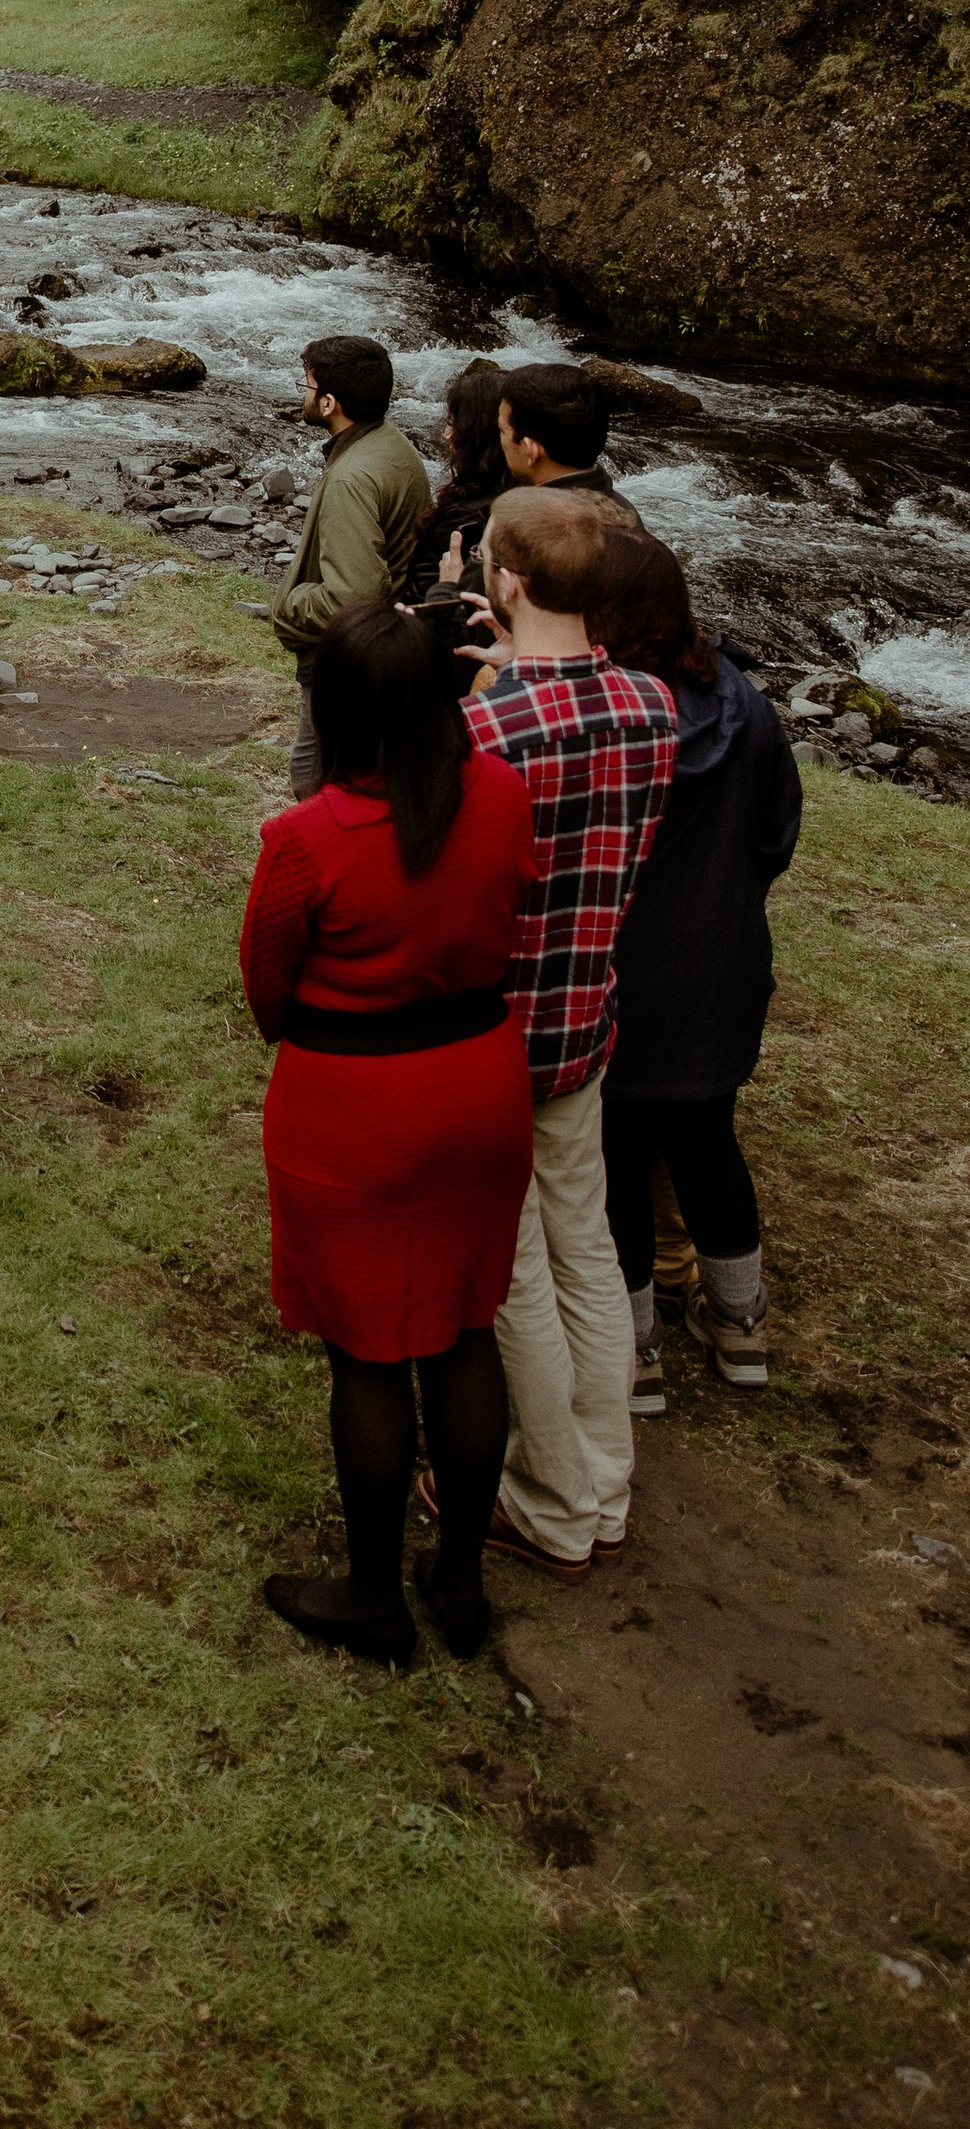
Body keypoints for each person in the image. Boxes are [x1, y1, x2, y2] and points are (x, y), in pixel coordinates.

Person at [239, 600, 541, 1666]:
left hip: (350, 1106)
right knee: (463, 1327)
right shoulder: (503, 797)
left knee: (366, 1354)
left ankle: (372, 1592)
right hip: (477, 1089)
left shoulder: (305, 837)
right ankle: (455, 1577)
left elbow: (266, 988)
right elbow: (518, 907)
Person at [457, 489, 676, 1580]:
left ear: (502, 584)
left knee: (513, 1270)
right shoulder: (652, 705)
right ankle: (607, 1479)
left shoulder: (482, 730)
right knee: (586, 1247)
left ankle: (549, 1498)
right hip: (587, 1014)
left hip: (494, 1028)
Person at [588, 529, 799, 1407]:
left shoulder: (611, 715)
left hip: (625, 966)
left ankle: (635, 1350)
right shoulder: (743, 700)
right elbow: (776, 829)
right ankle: (740, 1322)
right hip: (721, 964)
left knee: (621, 1158)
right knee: (711, 1140)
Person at [270, 336, 433, 795]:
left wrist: (291, 603)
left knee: (314, 781)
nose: (302, 394)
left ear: (328, 402)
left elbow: (353, 596)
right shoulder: (392, 444)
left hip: (343, 662)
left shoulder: (351, 478)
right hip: (385, 654)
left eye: (306, 385)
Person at [404, 355, 509, 610]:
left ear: (477, 434)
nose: (446, 434)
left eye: (452, 424)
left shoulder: (462, 518)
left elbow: (429, 602)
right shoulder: (526, 494)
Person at [496, 365, 643, 527]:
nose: (501, 439)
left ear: (531, 449)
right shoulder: (626, 511)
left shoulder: (529, 527)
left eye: (502, 430)